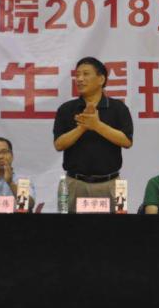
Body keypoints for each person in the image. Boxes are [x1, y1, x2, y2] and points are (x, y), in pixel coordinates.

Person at [52, 57, 134, 212]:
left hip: (111, 184)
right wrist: (82, 127)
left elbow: (127, 141)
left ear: (101, 79)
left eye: (85, 74)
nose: (79, 79)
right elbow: (59, 144)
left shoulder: (118, 108)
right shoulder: (66, 109)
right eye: (77, 75)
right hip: (74, 184)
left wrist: (97, 125)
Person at [0, 137, 35, 205]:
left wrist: (10, 182)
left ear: (12, 156)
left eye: (4, 152)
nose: (0, 157)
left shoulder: (23, 180)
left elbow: (28, 205)